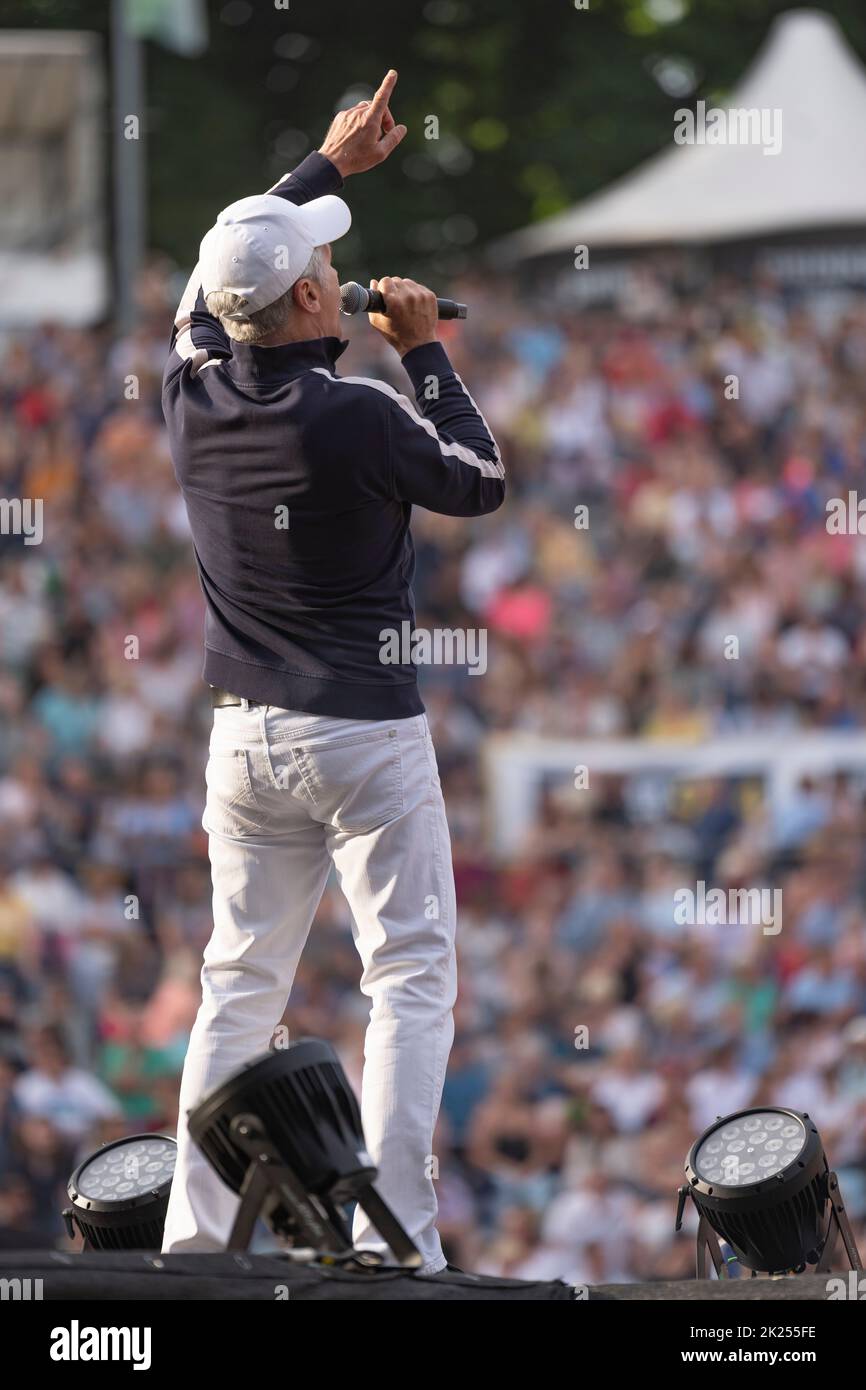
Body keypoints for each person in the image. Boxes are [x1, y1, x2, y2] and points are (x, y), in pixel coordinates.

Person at [160, 71, 505, 1273]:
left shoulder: (191, 390)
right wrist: (423, 352)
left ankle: (194, 1240)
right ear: (316, 294)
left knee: (238, 983)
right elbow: (478, 477)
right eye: (318, 263)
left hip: (242, 737)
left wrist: (320, 170)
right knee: (406, 974)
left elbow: (204, 289)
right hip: (358, 730)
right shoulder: (357, 411)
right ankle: (395, 1239)